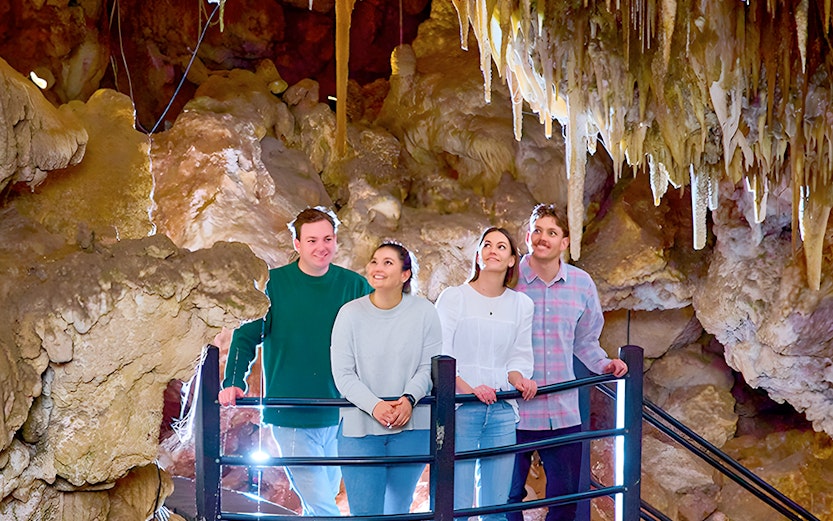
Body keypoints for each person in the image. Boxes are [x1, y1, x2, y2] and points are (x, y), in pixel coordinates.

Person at [218, 206, 372, 517]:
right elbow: (246, 337)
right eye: (312, 240)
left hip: (341, 414)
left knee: (323, 498)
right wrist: (234, 380)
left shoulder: (354, 286)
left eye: (327, 239)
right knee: (322, 505)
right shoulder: (273, 286)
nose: (321, 247)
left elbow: (377, 336)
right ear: (297, 244)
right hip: (291, 414)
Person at [507, 204, 628, 521]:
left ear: (564, 242)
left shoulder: (581, 284)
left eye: (551, 232)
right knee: (505, 500)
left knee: (566, 503)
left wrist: (604, 365)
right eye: (536, 230)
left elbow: (585, 341)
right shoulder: (509, 279)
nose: (541, 238)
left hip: (562, 412)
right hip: (513, 411)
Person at [330, 241, 442, 516]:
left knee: (398, 510)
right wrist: (376, 406)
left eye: (387, 262)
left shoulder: (424, 312)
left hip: (412, 427)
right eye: (375, 261)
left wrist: (408, 400)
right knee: (366, 512)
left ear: (405, 275)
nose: (377, 268)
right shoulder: (349, 314)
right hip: (360, 431)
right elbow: (343, 374)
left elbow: (429, 367)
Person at [435, 227, 537, 521]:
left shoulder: (522, 305)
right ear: (478, 255)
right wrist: (469, 389)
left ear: (511, 260)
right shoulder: (453, 298)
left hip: (503, 410)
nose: (493, 249)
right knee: (458, 505)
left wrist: (520, 380)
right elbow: (442, 355)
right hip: (461, 409)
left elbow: (518, 356)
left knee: (495, 508)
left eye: (502, 246)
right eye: (487, 244)